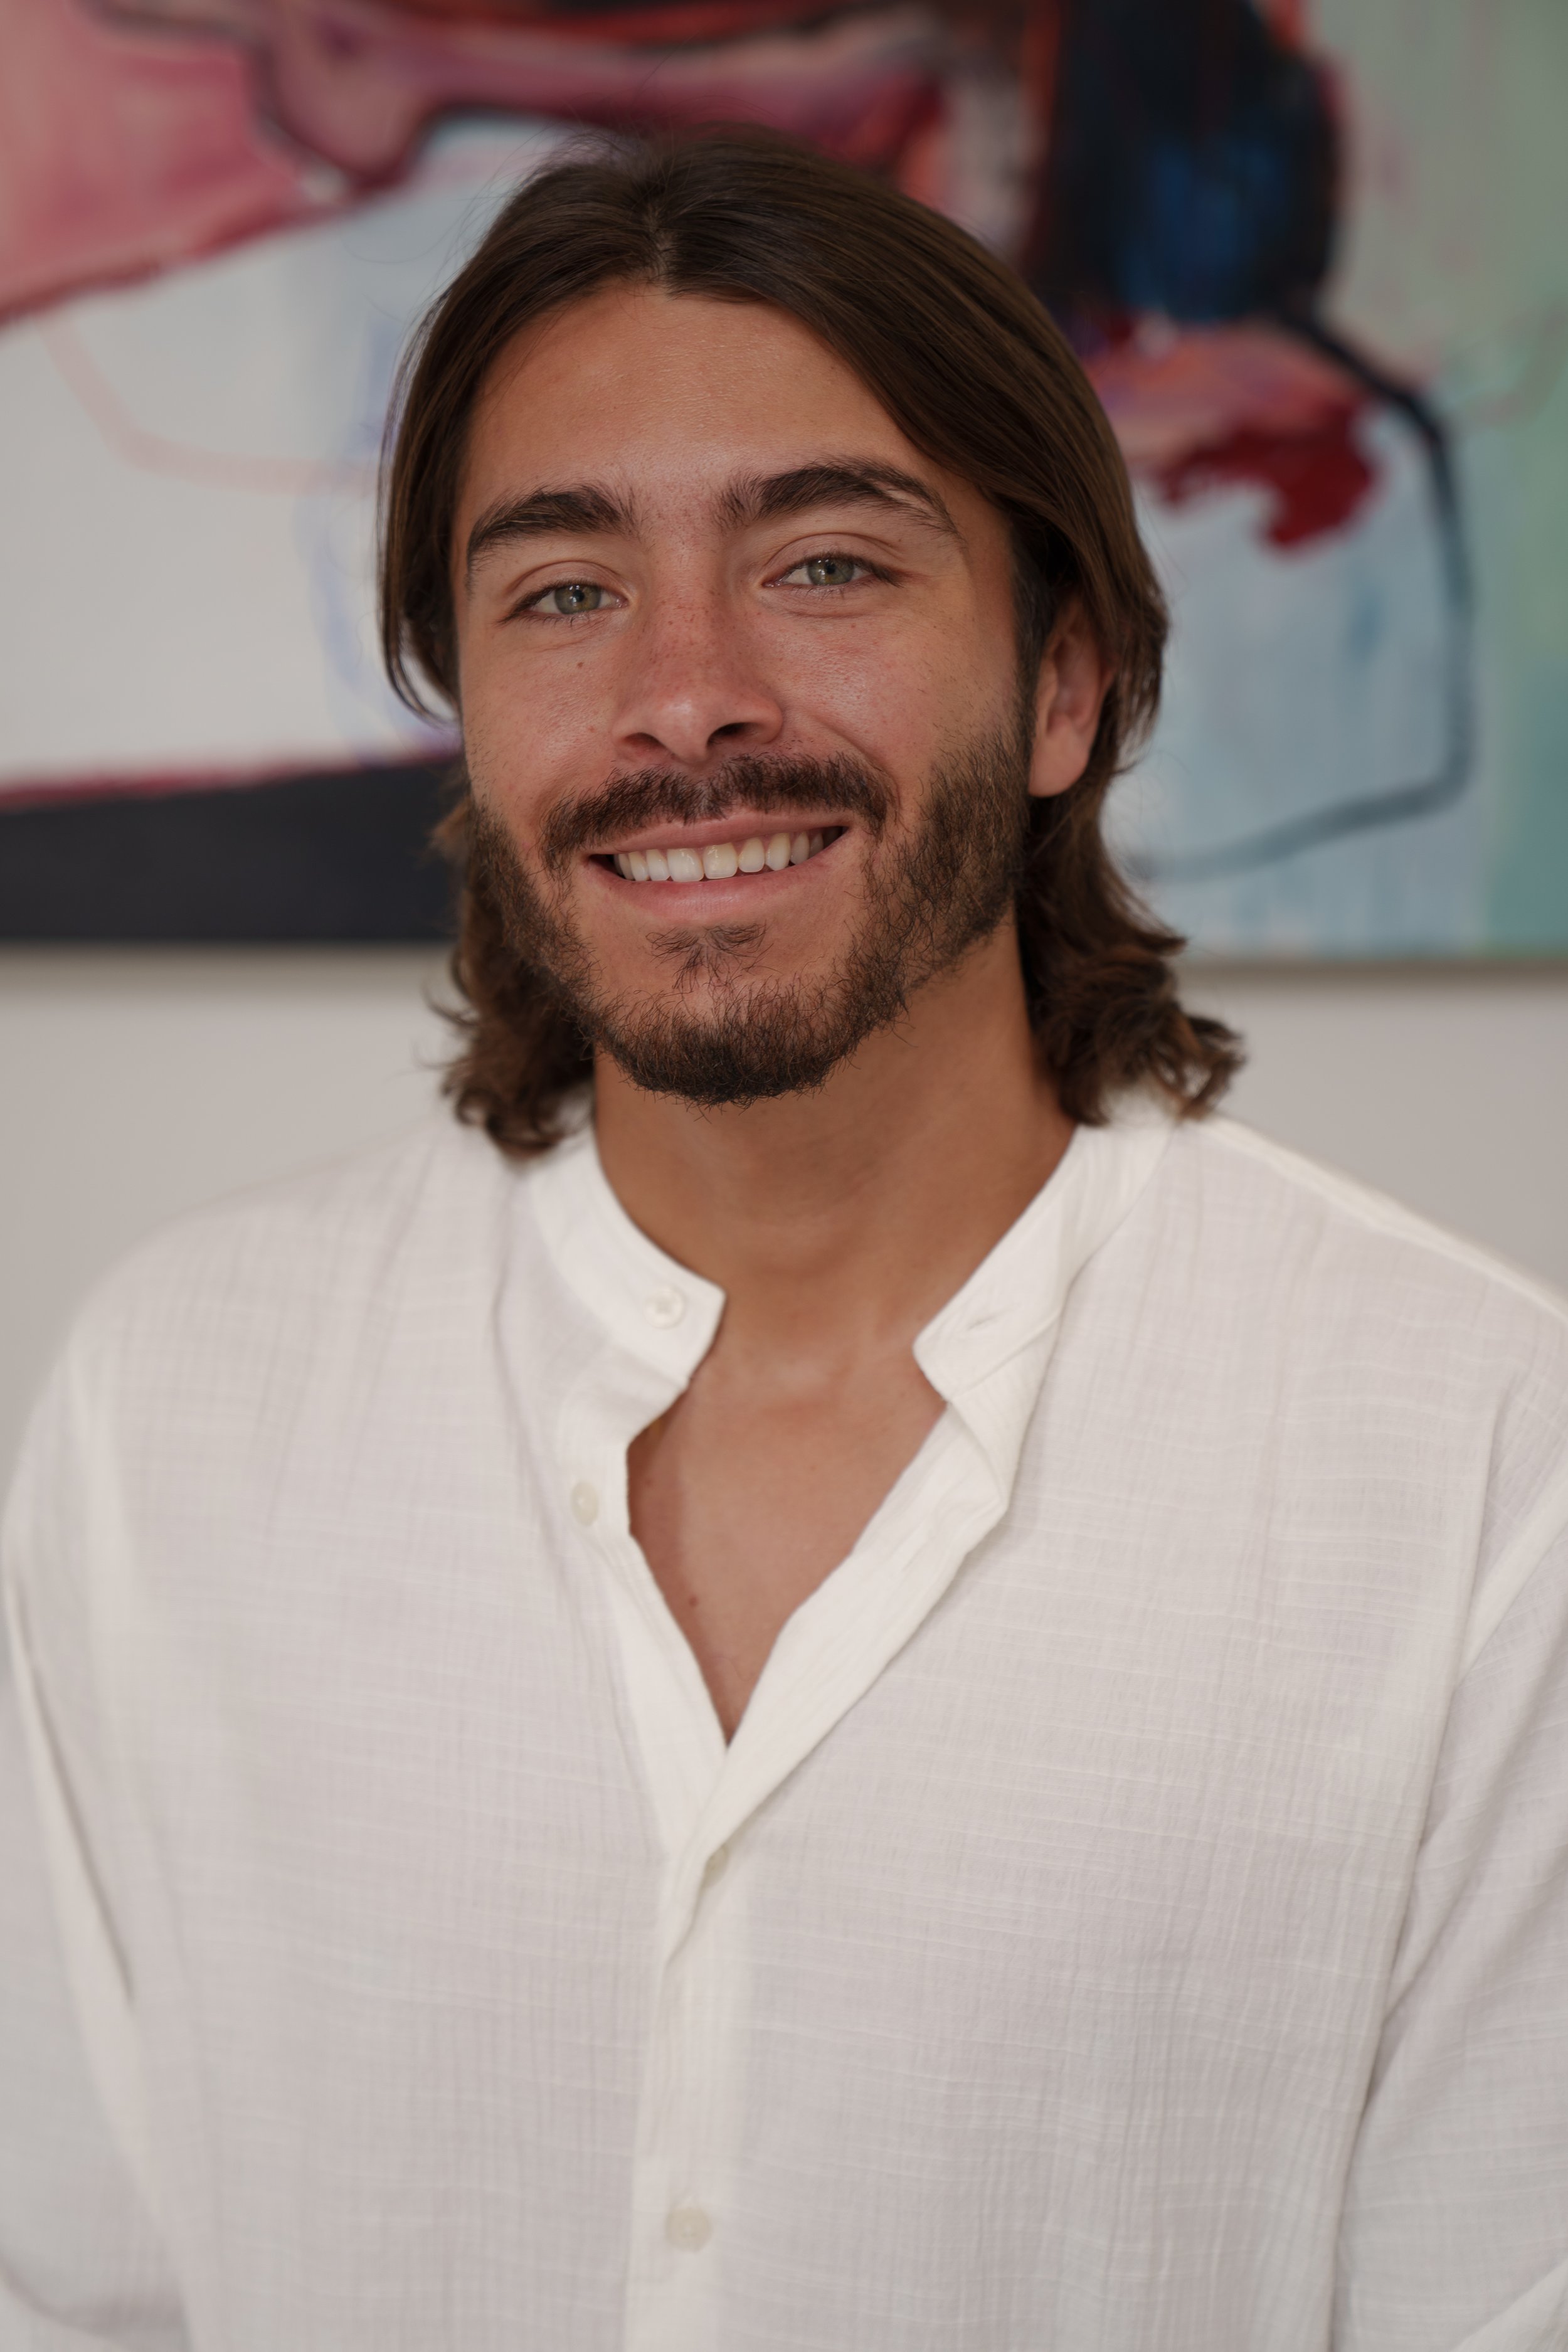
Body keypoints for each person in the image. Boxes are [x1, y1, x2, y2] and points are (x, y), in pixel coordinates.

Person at [2, 130, 1565, 2352]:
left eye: (825, 565)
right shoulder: (173, 1411)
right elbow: (69, 2299)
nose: (686, 695)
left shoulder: (1483, 1466)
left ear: (1062, 686)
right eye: (563, 592)